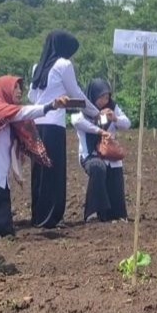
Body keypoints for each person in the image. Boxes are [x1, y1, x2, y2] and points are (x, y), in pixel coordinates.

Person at [0, 76, 68, 238]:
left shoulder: (11, 119)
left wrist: (17, 174)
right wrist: (51, 105)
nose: (19, 91)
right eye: (15, 88)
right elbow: (22, 112)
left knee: (1, 231)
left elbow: (13, 149)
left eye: (20, 88)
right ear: (4, 89)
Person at [28, 30, 98, 229]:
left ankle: (38, 216)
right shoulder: (63, 65)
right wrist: (93, 112)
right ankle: (51, 217)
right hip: (53, 124)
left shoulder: (37, 67)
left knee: (38, 172)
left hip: (36, 122)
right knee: (53, 171)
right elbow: (75, 92)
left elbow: (32, 97)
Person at [72, 78, 132, 223]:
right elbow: (77, 121)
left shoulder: (112, 107)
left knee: (115, 171)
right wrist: (100, 129)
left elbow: (127, 124)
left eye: (106, 97)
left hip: (110, 154)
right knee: (98, 168)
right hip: (90, 155)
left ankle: (114, 213)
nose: (104, 101)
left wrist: (115, 118)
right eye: (100, 97)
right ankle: (93, 212)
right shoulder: (85, 110)